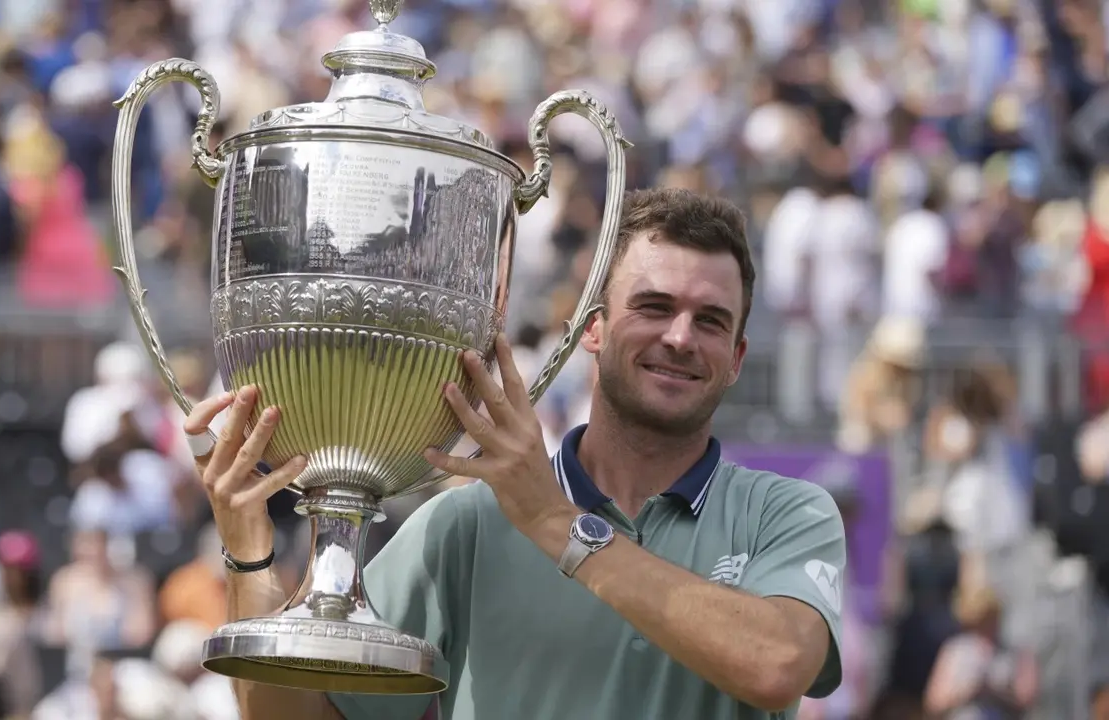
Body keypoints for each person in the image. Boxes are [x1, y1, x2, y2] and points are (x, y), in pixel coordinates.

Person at [182, 188, 847, 720]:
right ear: (592, 328)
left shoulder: (785, 513)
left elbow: (778, 665)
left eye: (711, 321)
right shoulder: (468, 525)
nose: (680, 337)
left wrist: (555, 523)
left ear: (737, 358)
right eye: (653, 306)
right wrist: (249, 556)